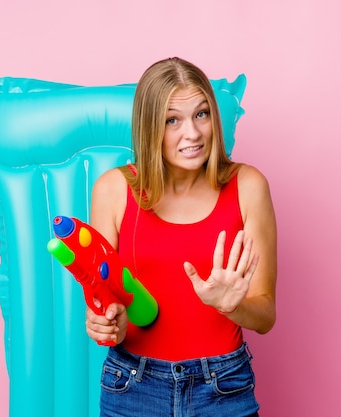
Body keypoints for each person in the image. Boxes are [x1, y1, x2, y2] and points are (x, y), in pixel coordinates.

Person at [86, 57, 277, 417]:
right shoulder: (112, 190)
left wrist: (230, 305)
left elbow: (266, 316)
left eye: (201, 114)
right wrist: (107, 323)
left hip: (223, 386)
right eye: (172, 120)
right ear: (149, 127)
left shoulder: (248, 186)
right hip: (133, 386)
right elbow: (109, 305)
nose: (193, 133)